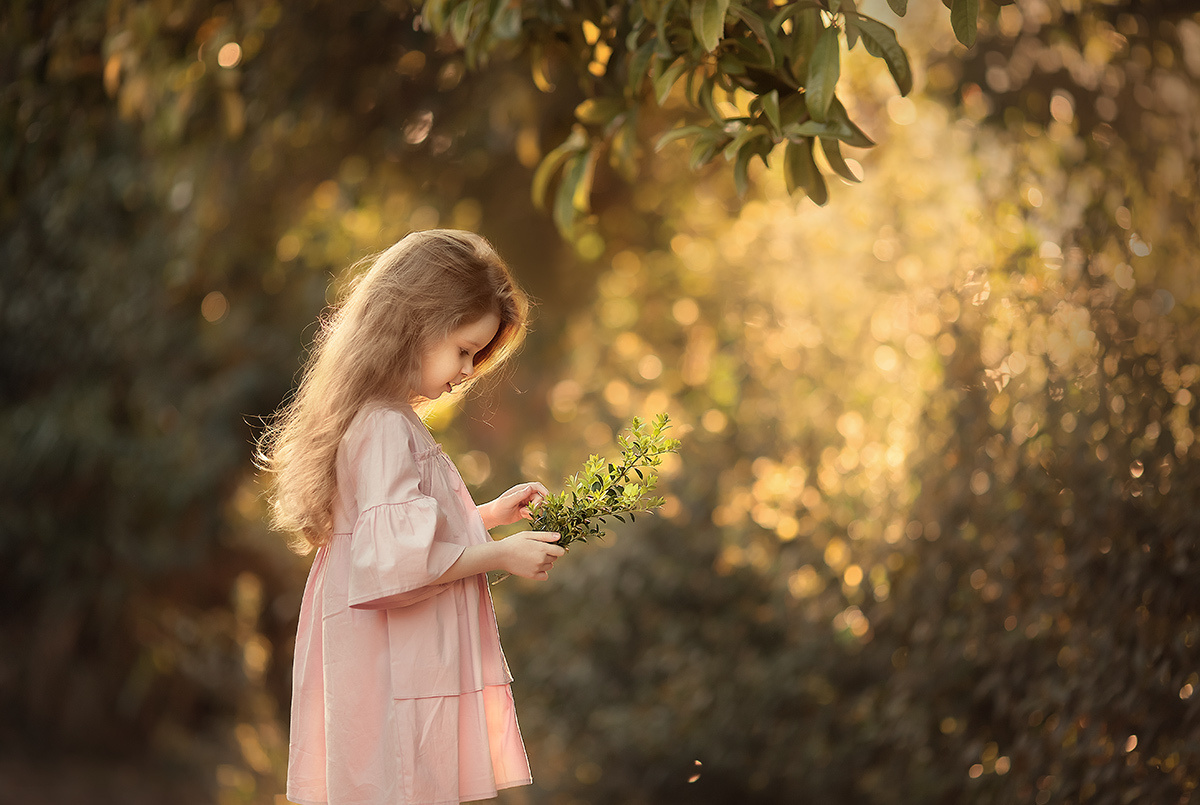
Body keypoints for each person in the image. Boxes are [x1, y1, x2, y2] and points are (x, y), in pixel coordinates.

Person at [258, 229, 565, 805]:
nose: (469, 370)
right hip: (392, 665)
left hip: (388, 656)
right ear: (416, 324)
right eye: (464, 350)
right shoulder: (383, 426)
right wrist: (501, 555)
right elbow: (397, 564)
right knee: (400, 784)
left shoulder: (385, 419)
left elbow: (393, 538)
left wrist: (487, 516)